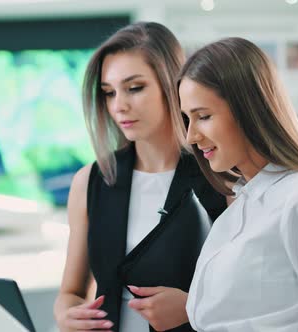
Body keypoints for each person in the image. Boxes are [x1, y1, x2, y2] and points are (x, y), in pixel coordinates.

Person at [178, 37, 298, 331]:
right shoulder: (241, 206)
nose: (191, 136)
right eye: (187, 119)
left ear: (249, 109)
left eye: (203, 116)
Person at [53, 22, 227, 332]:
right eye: (108, 93)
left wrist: (192, 307)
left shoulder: (221, 177)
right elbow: (71, 293)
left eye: (135, 87)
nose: (119, 106)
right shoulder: (90, 181)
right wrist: (67, 315)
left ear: (171, 85)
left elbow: (253, 294)